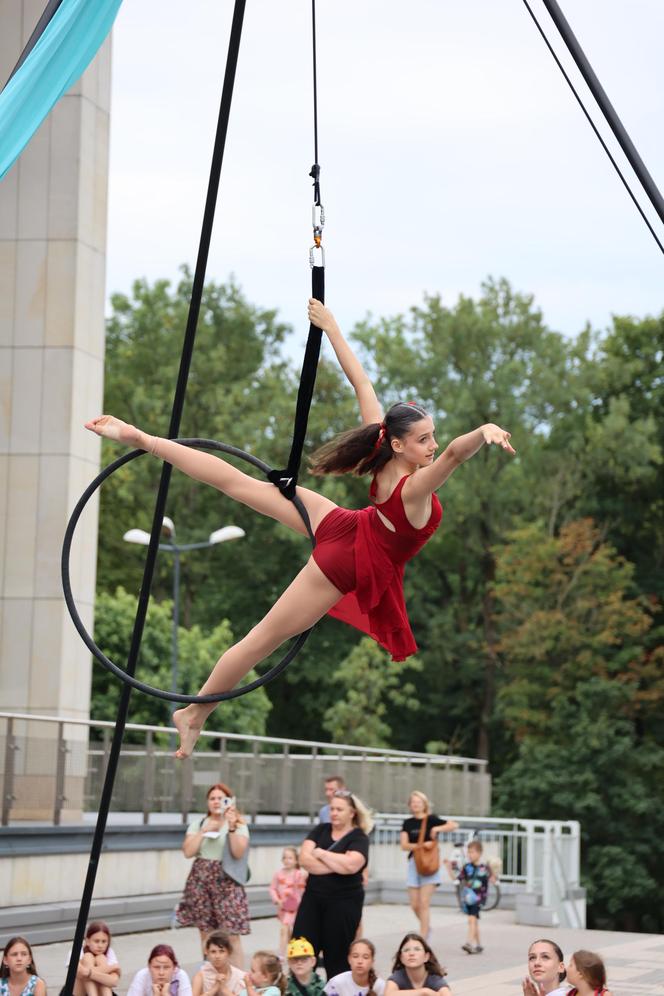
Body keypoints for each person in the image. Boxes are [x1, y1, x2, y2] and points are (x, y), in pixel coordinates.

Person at [85, 299, 515, 760]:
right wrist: (483, 430)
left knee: (239, 484)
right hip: (346, 560)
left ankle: (146, 440)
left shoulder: (383, 450)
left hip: (342, 523)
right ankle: (193, 713)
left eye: (431, 435)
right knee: (260, 641)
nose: (430, 445)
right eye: (423, 438)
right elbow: (453, 454)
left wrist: (331, 325)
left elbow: (362, 382)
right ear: (398, 444)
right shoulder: (413, 490)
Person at [293, 789, 372, 980]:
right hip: (313, 900)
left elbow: (352, 865)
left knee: (337, 957)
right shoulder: (321, 830)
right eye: (332, 809)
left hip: (343, 904)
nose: (334, 813)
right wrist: (338, 864)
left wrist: (321, 854)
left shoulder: (359, 837)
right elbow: (304, 859)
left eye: (339, 809)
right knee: (301, 951)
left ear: (352, 813)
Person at [176, 782, 250, 966]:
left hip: (228, 881)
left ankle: (237, 982)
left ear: (229, 801)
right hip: (201, 881)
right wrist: (203, 831)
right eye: (212, 798)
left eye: (221, 798)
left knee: (231, 934)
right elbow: (187, 851)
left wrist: (231, 827)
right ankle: (209, 978)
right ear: (207, 802)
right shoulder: (198, 824)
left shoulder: (238, 824)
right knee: (206, 933)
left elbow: (239, 852)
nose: (216, 802)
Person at [400, 791, 458, 940]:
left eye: (418, 802)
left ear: (424, 804)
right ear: (410, 805)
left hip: (430, 864)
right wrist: (421, 845)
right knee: (415, 904)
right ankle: (427, 928)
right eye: (413, 802)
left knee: (424, 902)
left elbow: (453, 825)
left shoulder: (431, 819)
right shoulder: (408, 823)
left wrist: (437, 829)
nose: (416, 804)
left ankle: (424, 937)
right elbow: (404, 845)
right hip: (415, 863)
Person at [447, 839, 494, 954]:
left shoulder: (485, 868)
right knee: (474, 921)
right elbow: (457, 879)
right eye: (468, 852)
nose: (470, 854)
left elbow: (493, 879)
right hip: (468, 898)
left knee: (471, 919)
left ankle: (468, 943)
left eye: (472, 852)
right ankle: (478, 945)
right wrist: (448, 868)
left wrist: (494, 872)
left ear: (479, 853)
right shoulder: (466, 867)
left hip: (479, 898)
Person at [270, 847, 308, 960]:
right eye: (285, 857)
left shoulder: (299, 874)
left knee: (285, 929)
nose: (287, 860)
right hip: (283, 907)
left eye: (290, 858)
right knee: (288, 931)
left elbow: (307, 882)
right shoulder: (278, 874)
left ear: (296, 860)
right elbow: (272, 888)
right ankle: (293, 949)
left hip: (296, 908)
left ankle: (281, 954)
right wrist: (277, 900)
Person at [384, 933, 451, 996]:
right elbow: (388, 994)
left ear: (426, 956)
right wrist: (423, 992)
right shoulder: (398, 977)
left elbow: (446, 993)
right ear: (401, 958)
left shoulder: (433, 978)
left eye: (417, 949)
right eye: (406, 950)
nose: (411, 953)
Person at [72, 922, 121, 996]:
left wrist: (89, 973)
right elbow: (80, 973)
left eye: (104, 941)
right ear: (87, 941)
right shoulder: (78, 951)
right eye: (96, 941)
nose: (100, 945)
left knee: (101, 958)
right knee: (88, 957)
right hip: (79, 992)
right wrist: (113, 967)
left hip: (101, 992)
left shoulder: (110, 952)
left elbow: (114, 981)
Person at [192, 932, 245, 996]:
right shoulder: (200, 976)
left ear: (229, 952)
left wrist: (224, 989)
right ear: (207, 952)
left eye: (221, 951)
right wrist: (214, 988)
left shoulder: (239, 976)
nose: (217, 956)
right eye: (213, 952)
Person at [125, 945, 192, 996]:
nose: (161, 973)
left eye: (166, 967)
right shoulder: (142, 975)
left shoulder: (181, 976)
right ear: (149, 966)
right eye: (156, 967)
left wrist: (166, 994)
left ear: (174, 967)